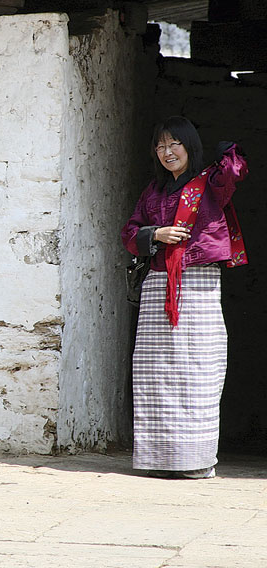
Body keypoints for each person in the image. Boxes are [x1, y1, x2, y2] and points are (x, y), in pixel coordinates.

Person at [121, 116, 248, 479]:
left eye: (174, 143)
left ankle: (194, 460)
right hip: (158, 285)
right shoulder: (153, 192)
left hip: (197, 285)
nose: (167, 152)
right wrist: (155, 233)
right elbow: (129, 232)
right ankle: (158, 460)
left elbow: (234, 173)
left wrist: (228, 154)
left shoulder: (211, 184)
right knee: (155, 372)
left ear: (189, 145)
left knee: (197, 369)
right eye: (160, 146)